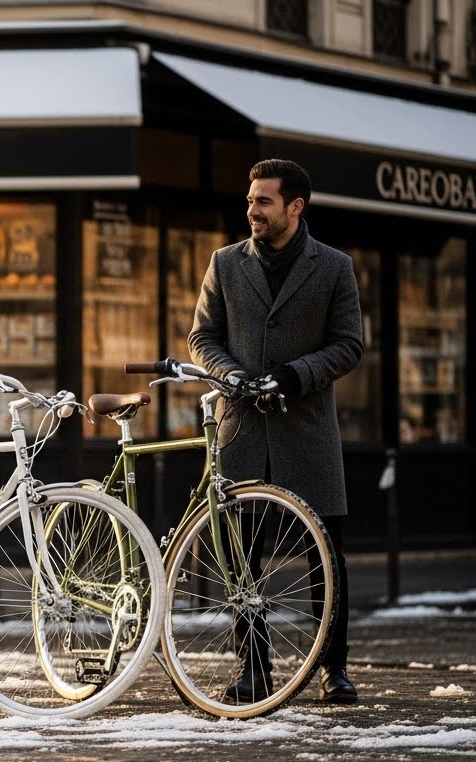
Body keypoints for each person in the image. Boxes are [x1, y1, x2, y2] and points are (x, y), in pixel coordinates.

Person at [189, 159, 364, 704]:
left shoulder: (334, 267)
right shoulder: (225, 262)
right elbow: (202, 337)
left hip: (308, 431)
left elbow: (349, 344)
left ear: (295, 207)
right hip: (241, 430)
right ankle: (253, 669)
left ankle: (333, 668)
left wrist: (294, 375)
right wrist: (231, 374)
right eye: (250, 200)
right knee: (242, 559)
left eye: (263, 201)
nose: (252, 210)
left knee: (325, 558)